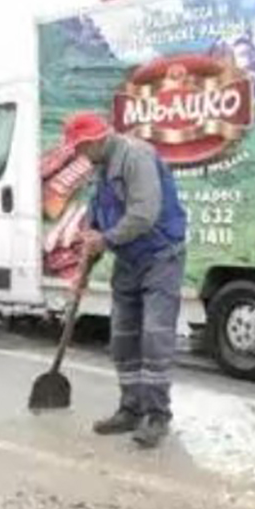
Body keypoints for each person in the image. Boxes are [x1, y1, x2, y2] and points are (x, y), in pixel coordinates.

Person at [63, 111, 188, 445]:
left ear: (96, 140)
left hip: (162, 257)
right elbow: (96, 227)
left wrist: (105, 240)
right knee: (122, 339)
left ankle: (157, 415)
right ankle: (130, 409)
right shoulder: (99, 170)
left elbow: (144, 214)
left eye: (80, 148)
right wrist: (83, 271)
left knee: (154, 338)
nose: (78, 154)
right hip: (129, 259)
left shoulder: (136, 157)